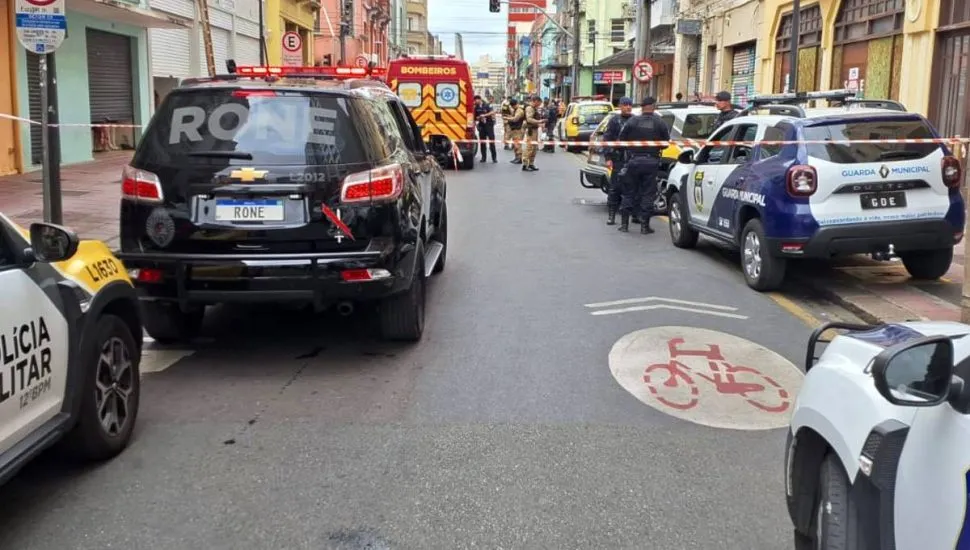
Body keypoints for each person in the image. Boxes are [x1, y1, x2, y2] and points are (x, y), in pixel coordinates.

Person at [616, 96, 670, 234]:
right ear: (653, 106)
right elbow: (665, 143)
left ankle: (624, 225)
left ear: (641, 107)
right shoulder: (659, 122)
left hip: (633, 161)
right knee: (648, 194)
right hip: (651, 162)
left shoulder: (632, 121)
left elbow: (622, 140)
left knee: (628, 193)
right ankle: (644, 226)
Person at [603, 96, 635, 225]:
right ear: (620, 106)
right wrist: (608, 157)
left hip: (633, 158)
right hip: (618, 158)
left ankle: (634, 215)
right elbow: (607, 139)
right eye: (625, 105)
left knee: (633, 188)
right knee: (615, 188)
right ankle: (611, 215)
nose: (628, 107)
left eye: (629, 105)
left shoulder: (635, 120)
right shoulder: (614, 121)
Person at [474, 94, 498, 163]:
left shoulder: (487, 105)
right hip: (482, 126)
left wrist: (484, 115)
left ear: (479, 99)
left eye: (476, 100)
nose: (475, 102)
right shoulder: (476, 107)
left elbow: (492, 112)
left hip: (489, 125)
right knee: (482, 143)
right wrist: (478, 119)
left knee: (491, 142)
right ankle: (483, 158)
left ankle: (494, 158)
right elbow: (475, 117)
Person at [522, 95, 543, 171]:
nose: (539, 105)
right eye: (539, 103)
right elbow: (529, 119)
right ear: (535, 101)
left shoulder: (534, 108)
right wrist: (538, 121)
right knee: (529, 147)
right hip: (531, 130)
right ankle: (525, 164)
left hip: (535, 129)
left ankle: (531, 163)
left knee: (534, 148)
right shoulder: (529, 108)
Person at [505, 98, 525, 164]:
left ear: (513, 105)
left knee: (517, 145)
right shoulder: (516, 110)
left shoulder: (519, 110)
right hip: (515, 129)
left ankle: (519, 158)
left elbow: (515, 119)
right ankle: (516, 157)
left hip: (518, 130)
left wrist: (507, 118)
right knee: (515, 144)